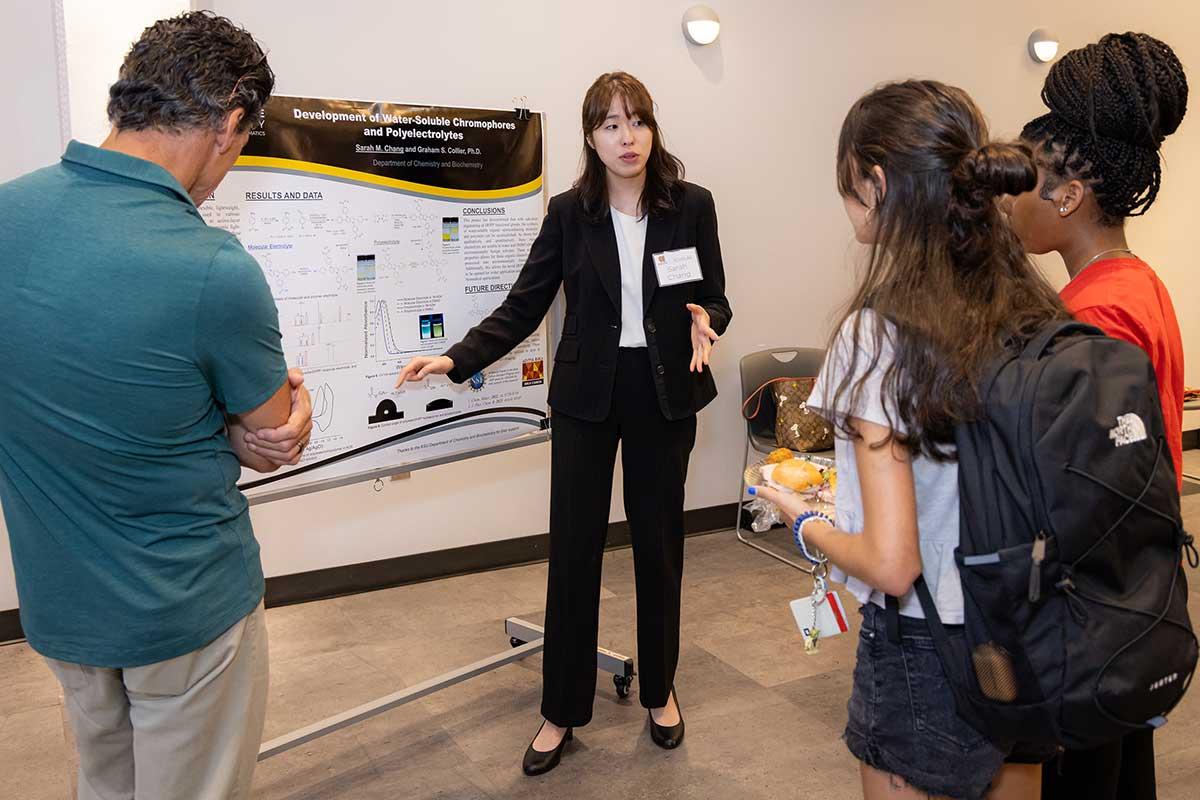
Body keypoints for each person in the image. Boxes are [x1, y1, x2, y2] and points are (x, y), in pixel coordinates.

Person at [0, 12, 312, 800]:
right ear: (231, 123)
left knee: (104, 785)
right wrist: (251, 432)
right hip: (186, 609)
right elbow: (275, 427)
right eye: (241, 146)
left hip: (62, 603)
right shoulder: (210, 265)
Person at [397, 71, 731, 775]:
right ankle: (560, 709)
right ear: (591, 137)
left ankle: (661, 691)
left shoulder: (690, 206)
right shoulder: (568, 213)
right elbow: (526, 303)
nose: (626, 136)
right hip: (586, 396)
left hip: (665, 393)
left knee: (659, 546)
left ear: (652, 128)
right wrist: (457, 358)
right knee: (574, 553)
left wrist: (710, 320)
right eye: (610, 124)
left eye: (636, 120)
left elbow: (712, 295)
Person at [754, 80, 1070, 799]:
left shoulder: (878, 334)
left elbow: (893, 565)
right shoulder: (1034, 308)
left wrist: (808, 524)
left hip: (928, 644)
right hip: (1028, 622)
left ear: (875, 181)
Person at [1004, 31, 1189, 800]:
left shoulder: (1099, 314)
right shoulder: (1133, 283)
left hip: (1095, 603)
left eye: (1023, 182)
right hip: (1132, 593)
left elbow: (1076, 490)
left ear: (1069, 195)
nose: (1009, 201)